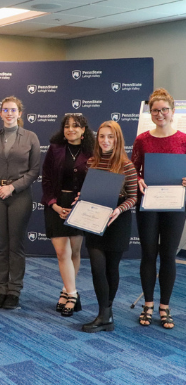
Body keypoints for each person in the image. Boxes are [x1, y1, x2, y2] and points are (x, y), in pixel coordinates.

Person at [132, 88, 186, 329]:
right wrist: (138, 180)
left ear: (173, 112)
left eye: (165, 109)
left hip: (175, 204)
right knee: (148, 254)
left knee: (168, 256)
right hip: (149, 204)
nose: (160, 113)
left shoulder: (184, 139)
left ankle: (165, 306)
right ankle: (148, 304)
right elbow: (132, 170)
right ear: (150, 113)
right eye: (156, 110)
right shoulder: (142, 139)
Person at [0, 96, 40, 310]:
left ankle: (14, 290)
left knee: (16, 245)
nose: (9, 113)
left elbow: (34, 171)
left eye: (13, 110)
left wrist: (12, 187)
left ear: (20, 113)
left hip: (19, 196)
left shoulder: (30, 137)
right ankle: (0, 289)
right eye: (5, 110)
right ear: (0, 113)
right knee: (0, 245)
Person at [82, 121, 137, 333]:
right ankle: (104, 314)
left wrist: (118, 210)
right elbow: (89, 191)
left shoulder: (126, 165)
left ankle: (106, 315)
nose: (105, 141)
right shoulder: (92, 162)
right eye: (102, 136)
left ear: (118, 139)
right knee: (97, 268)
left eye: (110, 137)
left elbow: (133, 197)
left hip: (117, 221)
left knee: (111, 269)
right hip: (95, 220)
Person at [41, 114, 94, 317]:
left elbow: (94, 181)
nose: (70, 129)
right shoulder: (54, 149)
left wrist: (79, 204)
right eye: (67, 126)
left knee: (75, 252)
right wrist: (53, 205)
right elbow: (45, 179)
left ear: (83, 130)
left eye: (75, 126)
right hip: (56, 205)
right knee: (62, 252)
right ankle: (73, 294)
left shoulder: (91, 151)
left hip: (80, 206)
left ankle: (65, 290)